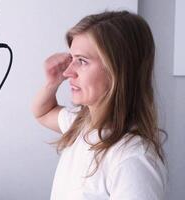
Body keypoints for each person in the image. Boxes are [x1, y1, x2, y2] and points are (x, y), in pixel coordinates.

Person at [31, 10, 168, 200]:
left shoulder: (132, 160)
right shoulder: (80, 125)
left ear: (117, 70)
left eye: (82, 61)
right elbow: (42, 112)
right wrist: (52, 83)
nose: (68, 72)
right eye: (71, 59)